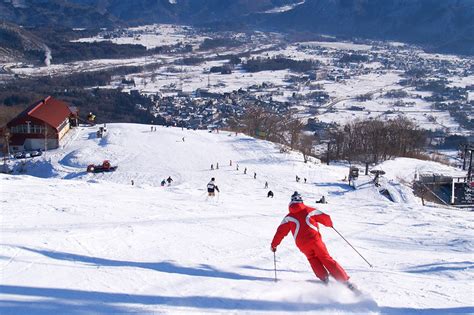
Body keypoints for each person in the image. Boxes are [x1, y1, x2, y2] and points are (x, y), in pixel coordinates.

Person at [271, 192, 354, 289]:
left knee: (312, 258)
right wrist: (329, 224)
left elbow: (280, 232)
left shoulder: (288, 217)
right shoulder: (310, 210)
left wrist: (274, 245)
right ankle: (344, 281)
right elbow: (326, 218)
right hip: (314, 240)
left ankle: (324, 278)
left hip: (302, 244)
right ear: (301, 200)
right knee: (325, 258)